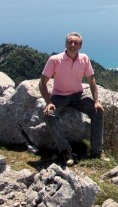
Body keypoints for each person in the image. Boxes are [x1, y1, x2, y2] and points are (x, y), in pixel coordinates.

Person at [39, 32, 105, 166]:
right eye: (70, 42)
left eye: (76, 43)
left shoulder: (84, 59)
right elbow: (42, 83)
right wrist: (49, 102)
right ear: (65, 44)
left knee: (98, 112)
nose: (72, 45)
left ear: (80, 46)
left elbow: (91, 81)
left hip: (78, 95)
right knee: (49, 114)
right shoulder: (55, 60)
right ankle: (65, 150)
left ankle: (97, 151)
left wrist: (96, 101)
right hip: (59, 96)